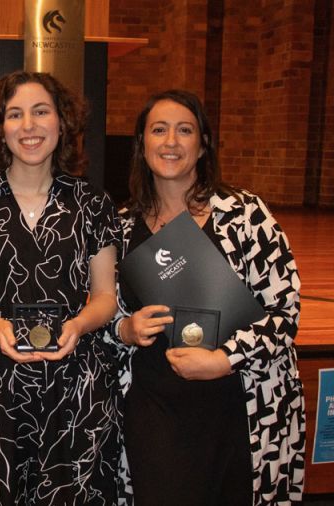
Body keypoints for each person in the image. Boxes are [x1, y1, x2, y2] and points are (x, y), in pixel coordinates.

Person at [111, 89, 305, 505]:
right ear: (141, 144)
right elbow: (105, 314)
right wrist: (124, 329)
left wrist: (223, 359)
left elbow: (284, 312)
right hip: (155, 407)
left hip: (238, 402)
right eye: (159, 130)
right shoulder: (120, 227)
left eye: (185, 130)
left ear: (202, 145)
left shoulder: (246, 215)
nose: (171, 141)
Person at [0, 71, 122, 505]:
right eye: (14, 114)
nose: (29, 126)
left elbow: (105, 297)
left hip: (77, 381)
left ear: (62, 122)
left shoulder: (93, 203)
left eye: (41, 112)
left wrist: (78, 326)